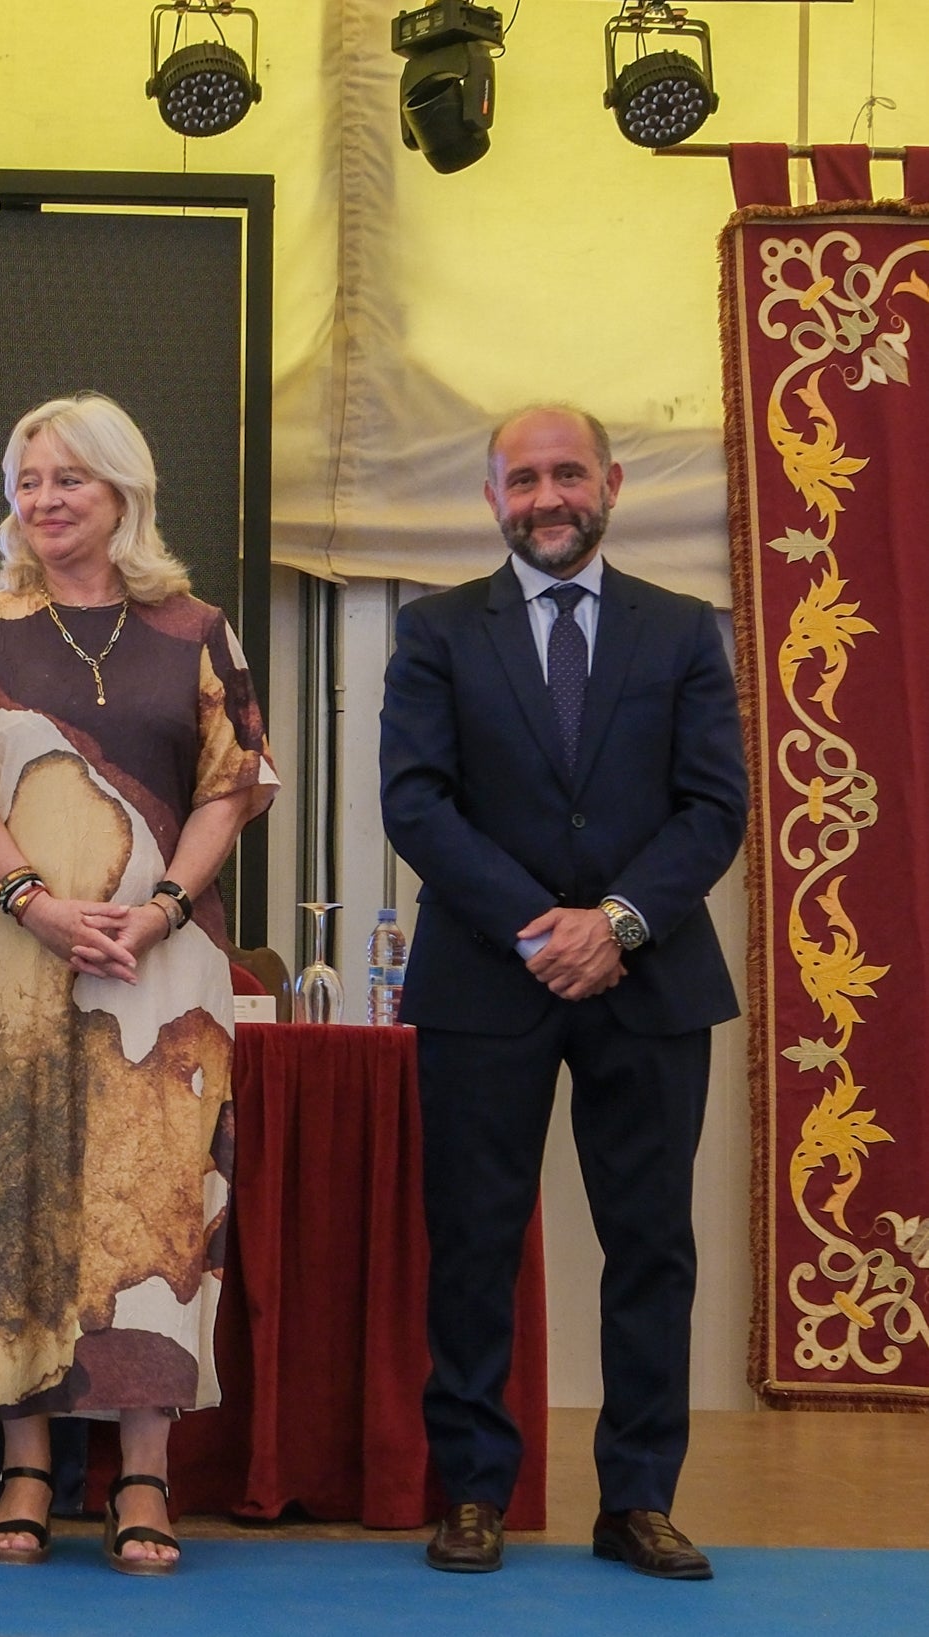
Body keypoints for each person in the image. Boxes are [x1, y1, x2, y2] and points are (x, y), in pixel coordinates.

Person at [0, 393, 275, 1576]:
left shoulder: (197, 626)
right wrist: (36, 900)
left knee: (150, 1206)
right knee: (11, 1189)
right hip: (5, 957)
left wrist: (161, 909)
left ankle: (141, 1471)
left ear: (123, 492)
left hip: (162, 963)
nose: (43, 500)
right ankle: (28, 1462)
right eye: (27, 479)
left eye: (68, 479)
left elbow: (231, 786)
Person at [379, 405, 743, 1580]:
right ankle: (474, 1489)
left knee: (650, 1247)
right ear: (492, 497)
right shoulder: (433, 630)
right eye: (523, 478)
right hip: (489, 976)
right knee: (474, 1241)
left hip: (652, 979)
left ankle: (638, 1499)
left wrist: (618, 923)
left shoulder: (686, 630)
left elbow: (713, 807)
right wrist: (545, 928)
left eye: (568, 473)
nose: (548, 496)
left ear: (612, 484)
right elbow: (417, 800)